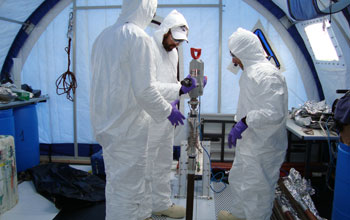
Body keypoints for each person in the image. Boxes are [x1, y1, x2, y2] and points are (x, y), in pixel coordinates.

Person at [89, 1, 186, 220]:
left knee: (123, 182)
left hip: (109, 124)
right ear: (147, 8)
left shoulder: (103, 36)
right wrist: (167, 111)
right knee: (127, 189)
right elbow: (145, 90)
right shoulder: (138, 38)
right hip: (129, 126)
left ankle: (143, 215)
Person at [218, 28, 288, 220]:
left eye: (235, 56)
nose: (233, 61)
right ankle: (239, 216)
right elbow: (250, 104)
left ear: (245, 52)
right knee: (240, 181)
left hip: (264, 147)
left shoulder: (268, 75)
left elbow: (274, 113)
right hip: (250, 142)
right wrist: (240, 122)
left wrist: (245, 121)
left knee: (257, 193)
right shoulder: (250, 72)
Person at [145, 10, 193, 219]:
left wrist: (183, 86)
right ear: (165, 31)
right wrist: (178, 90)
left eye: (180, 42)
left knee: (164, 163)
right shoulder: (148, 48)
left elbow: (171, 82)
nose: (176, 45)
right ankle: (143, 208)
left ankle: (161, 203)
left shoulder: (172, 52)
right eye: (175, 39)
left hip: (166, 117)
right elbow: (149, 86)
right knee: (146, 164)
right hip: (148, 118)